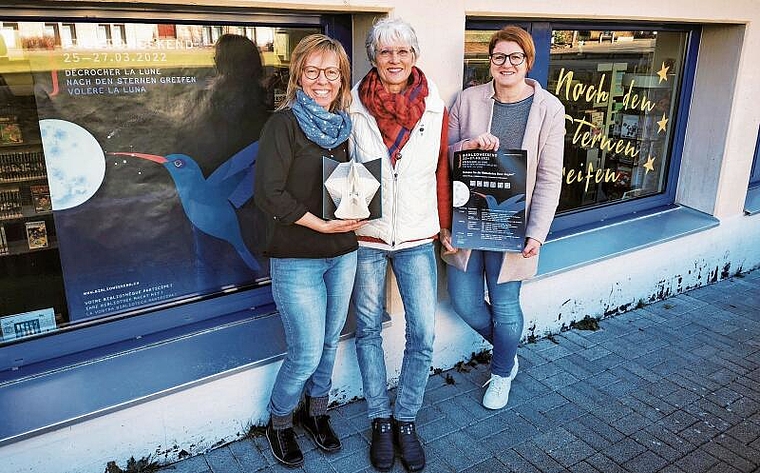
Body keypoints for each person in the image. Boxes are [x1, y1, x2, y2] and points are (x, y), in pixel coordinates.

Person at [252, 34, 366, 468]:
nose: (322, 80)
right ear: (298, 76)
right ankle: (279, 421)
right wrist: (320, 223)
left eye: (331, 73)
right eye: (313, 71)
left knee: (330, 343)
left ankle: (315, 412)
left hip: (343, 252)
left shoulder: (344, 127)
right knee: (305, 352)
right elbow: (268, 193)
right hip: (297, 257)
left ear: (342, 79)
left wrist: (357, 210)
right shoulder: (283, 125)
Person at [348, 17, 453, 473]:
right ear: (374, 58)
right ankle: (380, 420)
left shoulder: (435, 108)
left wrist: (447, 225)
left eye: (403, 52)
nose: (394, 60)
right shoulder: (351, 105)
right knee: (368, 330)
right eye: (385, 53)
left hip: (415, 237)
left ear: (414, 56)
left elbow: (442, 173)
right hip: (366, 236)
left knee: (423, 335)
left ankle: (406, 418)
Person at [442, 25, 565, 410]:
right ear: (490, 61)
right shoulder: (467, 100)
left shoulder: (549, 109)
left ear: (528, 61)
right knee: (464, 302)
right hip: (468, 220)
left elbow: (548, 176)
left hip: (514, 226)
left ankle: (500, 373)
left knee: (506, 304)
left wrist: (538, 233)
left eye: (515, 57)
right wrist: (469, 145)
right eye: (499, 57)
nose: (506, 64)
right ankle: (508, 353)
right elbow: (443, 158)